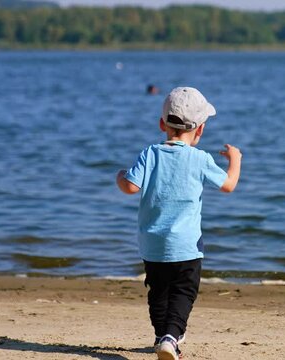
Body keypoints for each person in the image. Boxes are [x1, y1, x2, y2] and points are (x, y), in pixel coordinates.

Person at [116, 87, 242, 360]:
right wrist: (236, 160)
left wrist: (120, 175)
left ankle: (163, 336)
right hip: (186, 245)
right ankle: (171, 337)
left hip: (153, 244)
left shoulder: (150, 153)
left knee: (158, 292)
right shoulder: (200, 159)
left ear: (162, 124)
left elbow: (129, 187)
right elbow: (229, 185)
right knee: (184, 292)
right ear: (200, 130)